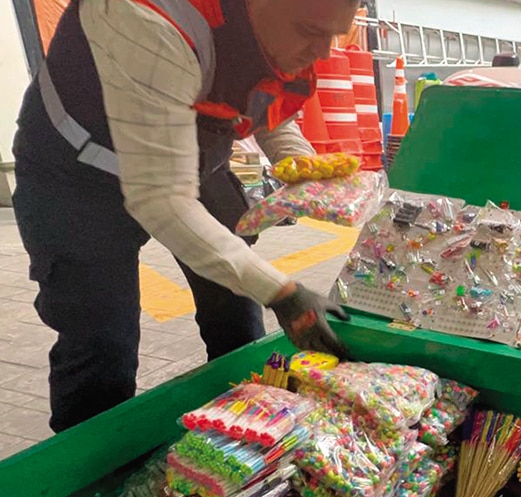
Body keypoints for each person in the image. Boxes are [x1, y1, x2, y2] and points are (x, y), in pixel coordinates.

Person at [12, 0, 358, 433]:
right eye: (310, 31)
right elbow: (162, 200)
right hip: (78, 174)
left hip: (189, 159)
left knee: (236, 314)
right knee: (102, 348)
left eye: (335, 35)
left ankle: (239, 438)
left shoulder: (272, 25)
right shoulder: (150, 21)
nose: (323, 52)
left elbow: (261, 93)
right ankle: (89, 475)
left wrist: (298, 163)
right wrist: (284, 292)